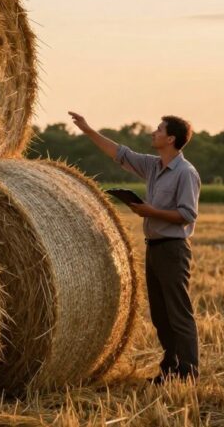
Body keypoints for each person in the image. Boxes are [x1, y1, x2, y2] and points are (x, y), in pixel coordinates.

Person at [68, 111, 201, 383]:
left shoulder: (186, 173)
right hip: (154, 247)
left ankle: (188, 374)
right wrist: (88, 129)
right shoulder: (154, 166)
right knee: (160, 315)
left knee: (178, 313)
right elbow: (120, 153)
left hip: (173, 250)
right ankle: (170, 369)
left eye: (159, 129)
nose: (154, 132)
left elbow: (187, 214)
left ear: (171, 138)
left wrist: (151, 211)